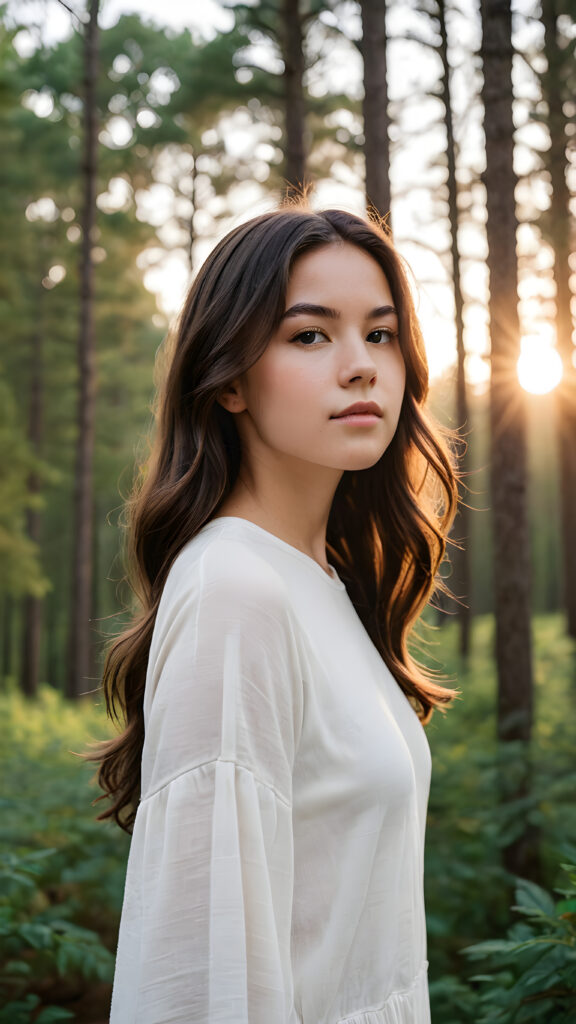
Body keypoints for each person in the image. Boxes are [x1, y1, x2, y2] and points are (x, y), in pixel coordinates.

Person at [93, 204, 458, 1024]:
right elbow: (200, 966)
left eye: (382, 333)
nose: (362, 366)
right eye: (310, 336)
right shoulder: (235, 589)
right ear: (226, 379)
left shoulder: (317, 584)